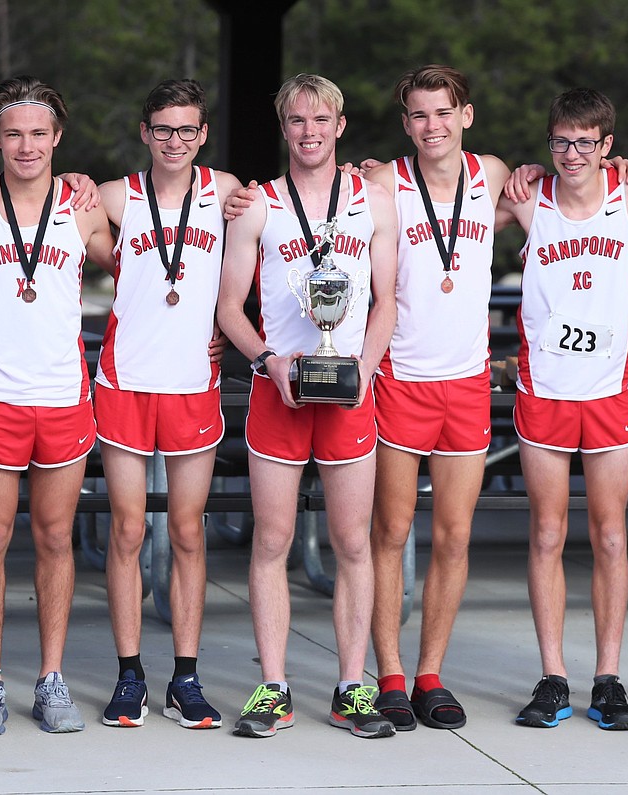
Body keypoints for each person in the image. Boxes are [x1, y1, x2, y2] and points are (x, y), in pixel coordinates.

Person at [216, 73, 399, 739]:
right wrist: (269, 360)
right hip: (280, 392)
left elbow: (387, 300)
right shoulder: (258, 205)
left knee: (353, 541)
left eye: (321, 121)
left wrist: (364, 369)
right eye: (297, 121)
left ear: (340, 126)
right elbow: (229, 308)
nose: (309, 132)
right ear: (284, 127)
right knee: (271, 539)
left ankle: (353, 684)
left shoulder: (374, 201)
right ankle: (274, 685)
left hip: (349, 391)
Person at [0, 76, 115, 736]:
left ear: (57, 137)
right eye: (14, 132)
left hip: (64, 398)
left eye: (39, 133)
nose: (27, 144)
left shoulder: (82, 206)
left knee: (52, 538)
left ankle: (49, 677)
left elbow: (138, 264)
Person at [497, 88, 628, 732]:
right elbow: (450, 206)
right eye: (560, 141)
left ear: (607, 147)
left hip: (609, 391)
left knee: (612, 536)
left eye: (585, 143)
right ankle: (554, 676)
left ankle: (609, 678)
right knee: (547, 534)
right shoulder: (527, 201)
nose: (571, 154)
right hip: (545, 392)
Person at [359, 65, 511, 732]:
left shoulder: (496, 174)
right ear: (406, 125)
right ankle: (390, 673)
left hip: (467, 381)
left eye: (443, 113)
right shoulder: (384, 182)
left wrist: (612, 161)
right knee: (390, 531)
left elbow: (575, 179)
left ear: (465, 116)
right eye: (419, 115)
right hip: (403, 377)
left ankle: (430, 674)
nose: (432, 126)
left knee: (452, 536)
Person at [94, 79, 240, 730]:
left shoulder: (228, 193)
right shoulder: (110, 197)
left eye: (187, 130)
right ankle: (130, 675)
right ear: (145, 133)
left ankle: (186, 675)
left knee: (186, 531)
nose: (175, 141)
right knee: (127, 530)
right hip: (126, 379)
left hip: (192, 380)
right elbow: (50, 232)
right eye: (163, 129)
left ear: (202, 134)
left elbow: (304, 204)